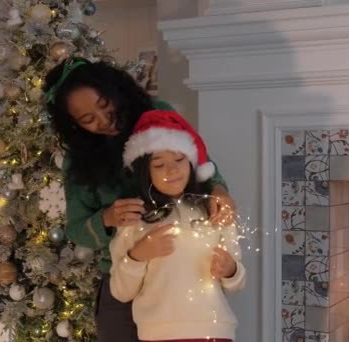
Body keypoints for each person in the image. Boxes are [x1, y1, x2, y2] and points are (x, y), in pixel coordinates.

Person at [44, 57, 236, 341]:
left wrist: (219, 190)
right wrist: (107, 219)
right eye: (87, 119)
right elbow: (76, 229)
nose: (103, 120)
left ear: (114, 90)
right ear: (74, 124)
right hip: (123, 282)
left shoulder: (158, 114)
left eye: (103, 104)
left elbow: (200, 162)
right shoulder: (79, 161)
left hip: (179, 279)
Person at [109, 109, 246, 342]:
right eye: (159, 164)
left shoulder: (213, 212)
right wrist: (138, 256)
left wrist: (231, 269)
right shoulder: (136, 219)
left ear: (191, 162)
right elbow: (121, 291)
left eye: (179, 159)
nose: (172, 170)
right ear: (145, 171)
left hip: (214, 331)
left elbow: (237, 283)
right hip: (157, 334)